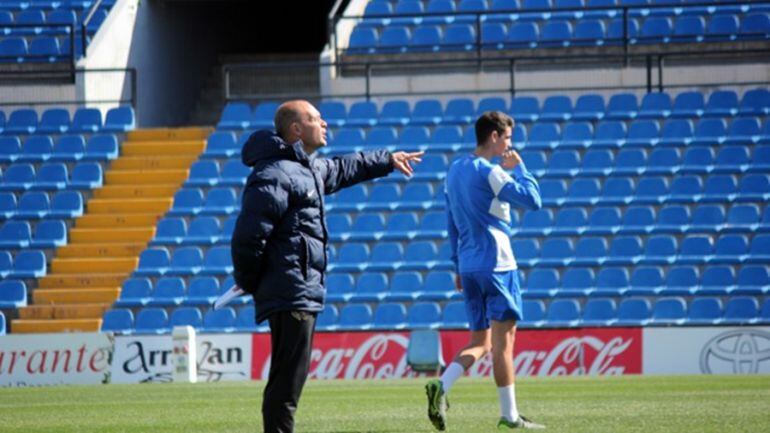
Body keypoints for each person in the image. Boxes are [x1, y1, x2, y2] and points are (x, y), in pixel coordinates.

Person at [226, 100, 423, 433]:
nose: (325, 123)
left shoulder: (305, 169)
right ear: (296, 130)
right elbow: (248, 235)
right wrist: (249, 279)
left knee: (291, 376)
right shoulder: (274, 173)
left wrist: (387, 160)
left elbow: (346, 167)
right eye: (316, 118)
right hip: (290, 289)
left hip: (298, 288)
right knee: (288, 380)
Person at [425, 111, 544, 431]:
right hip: (498, 264)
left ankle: (442, 386)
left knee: (480, 340)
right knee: (504, 344)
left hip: (469, 265)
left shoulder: (454, 170)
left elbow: (451, 224)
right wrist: (519, 168)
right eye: (507, 138)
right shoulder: (489, 172)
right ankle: (510, 417)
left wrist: (457, 267)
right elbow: (533, 201)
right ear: (493, 136)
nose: (509, 145)